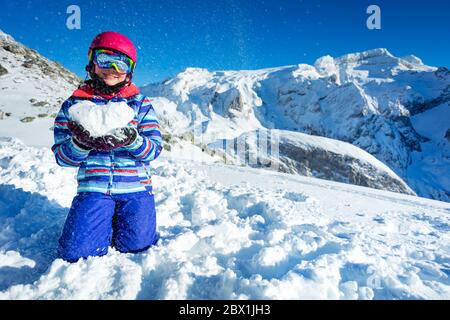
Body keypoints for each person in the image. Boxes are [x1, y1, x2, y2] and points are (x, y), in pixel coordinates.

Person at [52, 31, 163, 262]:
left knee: (138, 247)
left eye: (121, 63)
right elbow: (62, 157)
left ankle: (115, 219)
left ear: (129, 71)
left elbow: (154, 150)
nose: (112, 67)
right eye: (105, 59)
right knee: (76, 254)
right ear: (92, 61)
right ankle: (101, 215)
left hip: (136, 191)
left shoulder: (140, 105)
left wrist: (133, 140)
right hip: (94, 190)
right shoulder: (75, 105)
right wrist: (79, 143)